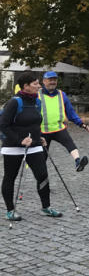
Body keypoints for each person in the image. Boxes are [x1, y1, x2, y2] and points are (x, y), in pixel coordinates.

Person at [1, 71, 63, 220]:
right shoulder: (14, 102)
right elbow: (3, 125)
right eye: (35, 84)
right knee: (10, 177)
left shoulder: (37, 102)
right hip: (13, 147)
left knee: (42, 175)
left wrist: (39, 136)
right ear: (26, 86)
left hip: (34, 145)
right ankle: (10, 210)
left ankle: (46, 207)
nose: (39, 86)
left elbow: (34, 123)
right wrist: (19, 140)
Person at [38, 71, 89, 172]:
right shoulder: (37, 94)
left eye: (54, 80)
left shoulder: (62, 94)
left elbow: (70, 112)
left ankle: (78, 162)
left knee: (70, 144)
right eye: (50, 80)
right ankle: (42, 175)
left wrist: (81, 123)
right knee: (42, 157)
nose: (53, 82)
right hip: (43, 131)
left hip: (58, 128)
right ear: (44, 81)